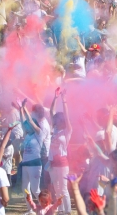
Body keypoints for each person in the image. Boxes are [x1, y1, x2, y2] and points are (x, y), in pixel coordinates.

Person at [48, 87, 72, 215]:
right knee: (56, 188)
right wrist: (55, 97)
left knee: (63, 189)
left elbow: (67, 117)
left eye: (58, 120)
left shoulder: (67, 131)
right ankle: (61, 210)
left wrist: (64, 101)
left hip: (63, 163)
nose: (56, 122)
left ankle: (67, 211)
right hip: (52, 163)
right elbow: (51, 111)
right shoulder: (54, 130)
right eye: (55, 120)